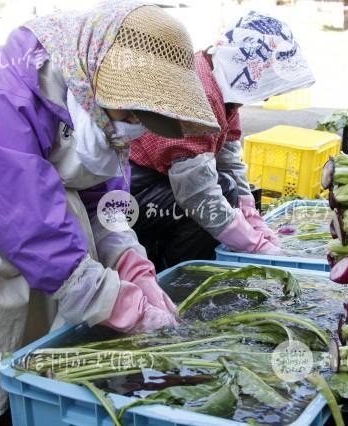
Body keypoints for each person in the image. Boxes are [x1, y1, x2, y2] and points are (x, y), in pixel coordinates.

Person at [0, 2, 220, 425]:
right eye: (133, 113)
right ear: (98, 80)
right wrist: (126, 308)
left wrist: (133, 265)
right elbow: (35, 233)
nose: (135, 126)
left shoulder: (85, 99)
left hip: (8, 210)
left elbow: (103, 199)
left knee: (36, 310)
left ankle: (13, 400)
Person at [128, 11, 315, 270]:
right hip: (132, 191)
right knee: (213, 200)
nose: (267, 98)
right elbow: (197, 195)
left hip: (161, 180)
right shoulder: (197, 94)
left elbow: (228, 156)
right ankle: (177, 273)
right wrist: (254, 244)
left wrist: (251, 214)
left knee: (226, 187)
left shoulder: (221, 85)